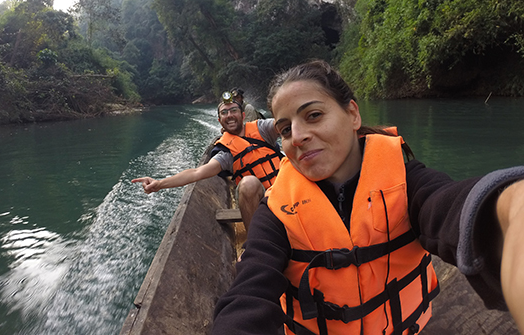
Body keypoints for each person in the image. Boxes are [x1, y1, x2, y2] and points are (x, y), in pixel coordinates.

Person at [212, 60, 524, 335]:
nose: (298, 136)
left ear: (352, 114)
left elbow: (457, 206)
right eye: (285, 129)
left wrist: (511, 208)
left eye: (314, 115)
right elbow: (250, 292)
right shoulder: (276, 211)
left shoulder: (407, 181)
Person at [133, 95, 283, 232]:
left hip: (287, 190)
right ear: (219, 120)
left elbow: (287, 122)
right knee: (248, 183)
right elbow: (197, 173)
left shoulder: (263, 128)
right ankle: (255, 242)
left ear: (243, 115)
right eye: (224, 113)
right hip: (260, 202)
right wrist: (159, 184)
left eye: (233, 110)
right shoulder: (226, 153)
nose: (229, 115)